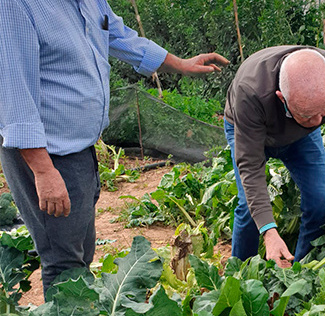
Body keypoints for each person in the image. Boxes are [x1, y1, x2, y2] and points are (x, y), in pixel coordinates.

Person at [0, 0, 228, 293]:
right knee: (64, 264)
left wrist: (180, 64)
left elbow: (116, 34)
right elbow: (14, 94)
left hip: (80, 148)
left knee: (81, 250)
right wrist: (43, 171)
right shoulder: (16, 6)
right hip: (47, 154)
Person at [224, 46, 325, 268]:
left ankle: (300, 271)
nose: (317, 122)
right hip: (249, 130)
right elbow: (250, 165)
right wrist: (268, 231)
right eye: (307, 115)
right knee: (249, 207)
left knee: (320, 201)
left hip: (300, 137)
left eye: (324, 113)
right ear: (281, 97)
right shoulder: (251, 90)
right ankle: (240, 275)